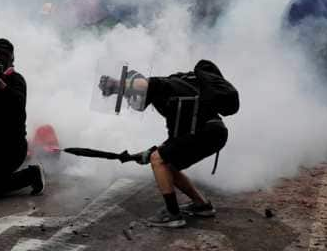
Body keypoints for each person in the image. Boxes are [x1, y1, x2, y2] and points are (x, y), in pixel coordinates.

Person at [99, 60, 237, 228]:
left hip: (206, 133)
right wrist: (149, 153)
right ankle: (202, 205)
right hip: (214, 133)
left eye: (129, 96)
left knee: (159, 160)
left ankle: (173, 215)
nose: (129, 101)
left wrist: (115, 85)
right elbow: (175, 140)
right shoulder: (171, 93)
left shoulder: (159, 84)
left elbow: (144, 83)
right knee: (166, 163)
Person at [0, 38, 44, 197]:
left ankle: (31, 175)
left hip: (12, 147)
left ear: (11, 59)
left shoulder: (16, 80)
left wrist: (1, 86)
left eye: (3, 55)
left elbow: (18, 104)